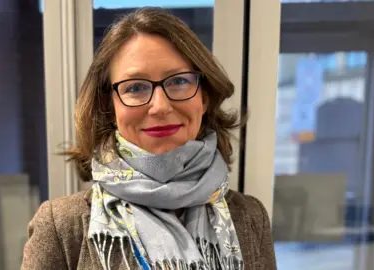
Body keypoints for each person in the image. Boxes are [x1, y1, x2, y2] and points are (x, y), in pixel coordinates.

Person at [21, 7, 276, 270]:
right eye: (135, 87)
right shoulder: (63, 227)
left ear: (205, 97)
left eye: (178, 81)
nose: (160, 106)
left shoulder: (249, 218)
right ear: (110, 107)